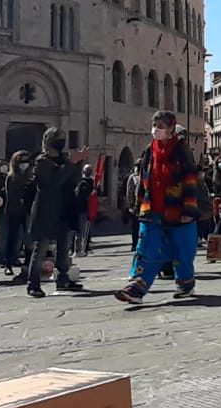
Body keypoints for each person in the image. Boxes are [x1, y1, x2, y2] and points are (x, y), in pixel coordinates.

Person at [115, 112, 199, 303]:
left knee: (182, 249)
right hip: (151, 209)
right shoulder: (149, 150)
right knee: (145, 247)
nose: (156, 129)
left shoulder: (181, 151)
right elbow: (144, 178)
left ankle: (185, 284)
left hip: (176, 209)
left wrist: (189, 210)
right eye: (154, 125)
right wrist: (139, 205)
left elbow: (190, 180)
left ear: (171, 128)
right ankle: (137, 287)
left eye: (161, 125)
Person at [24, 128, 85, 296]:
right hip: (47, 209)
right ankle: (33, 284)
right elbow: (54, 181)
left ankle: (63, 279)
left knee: (63, 247)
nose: (61, 141)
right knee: (41, 247)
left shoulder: (64, 159)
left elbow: (73, 181)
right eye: (58, 138)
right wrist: (71, 163)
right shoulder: (42, 162)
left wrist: (78, 164)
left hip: (65, 208)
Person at [2, 151, 36, 275]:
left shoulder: (30, 176)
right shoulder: (11, 177)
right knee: (13, 238)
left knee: (29, 237)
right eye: (21, 162)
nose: (24, 164)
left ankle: (28, 262)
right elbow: (11, 195)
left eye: (26, 161)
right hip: (14, 210)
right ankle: (8, 264)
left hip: (28, 210)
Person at [72, 163, 97, 255]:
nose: (89, 173)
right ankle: (78, 250)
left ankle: (84, 248)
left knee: (87, 230)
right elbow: (79, 197)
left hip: (88, 209)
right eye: (88, 171)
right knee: (80, 230)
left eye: (90, 171)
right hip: (82, 209)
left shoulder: (92, 182)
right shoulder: (81, 182)